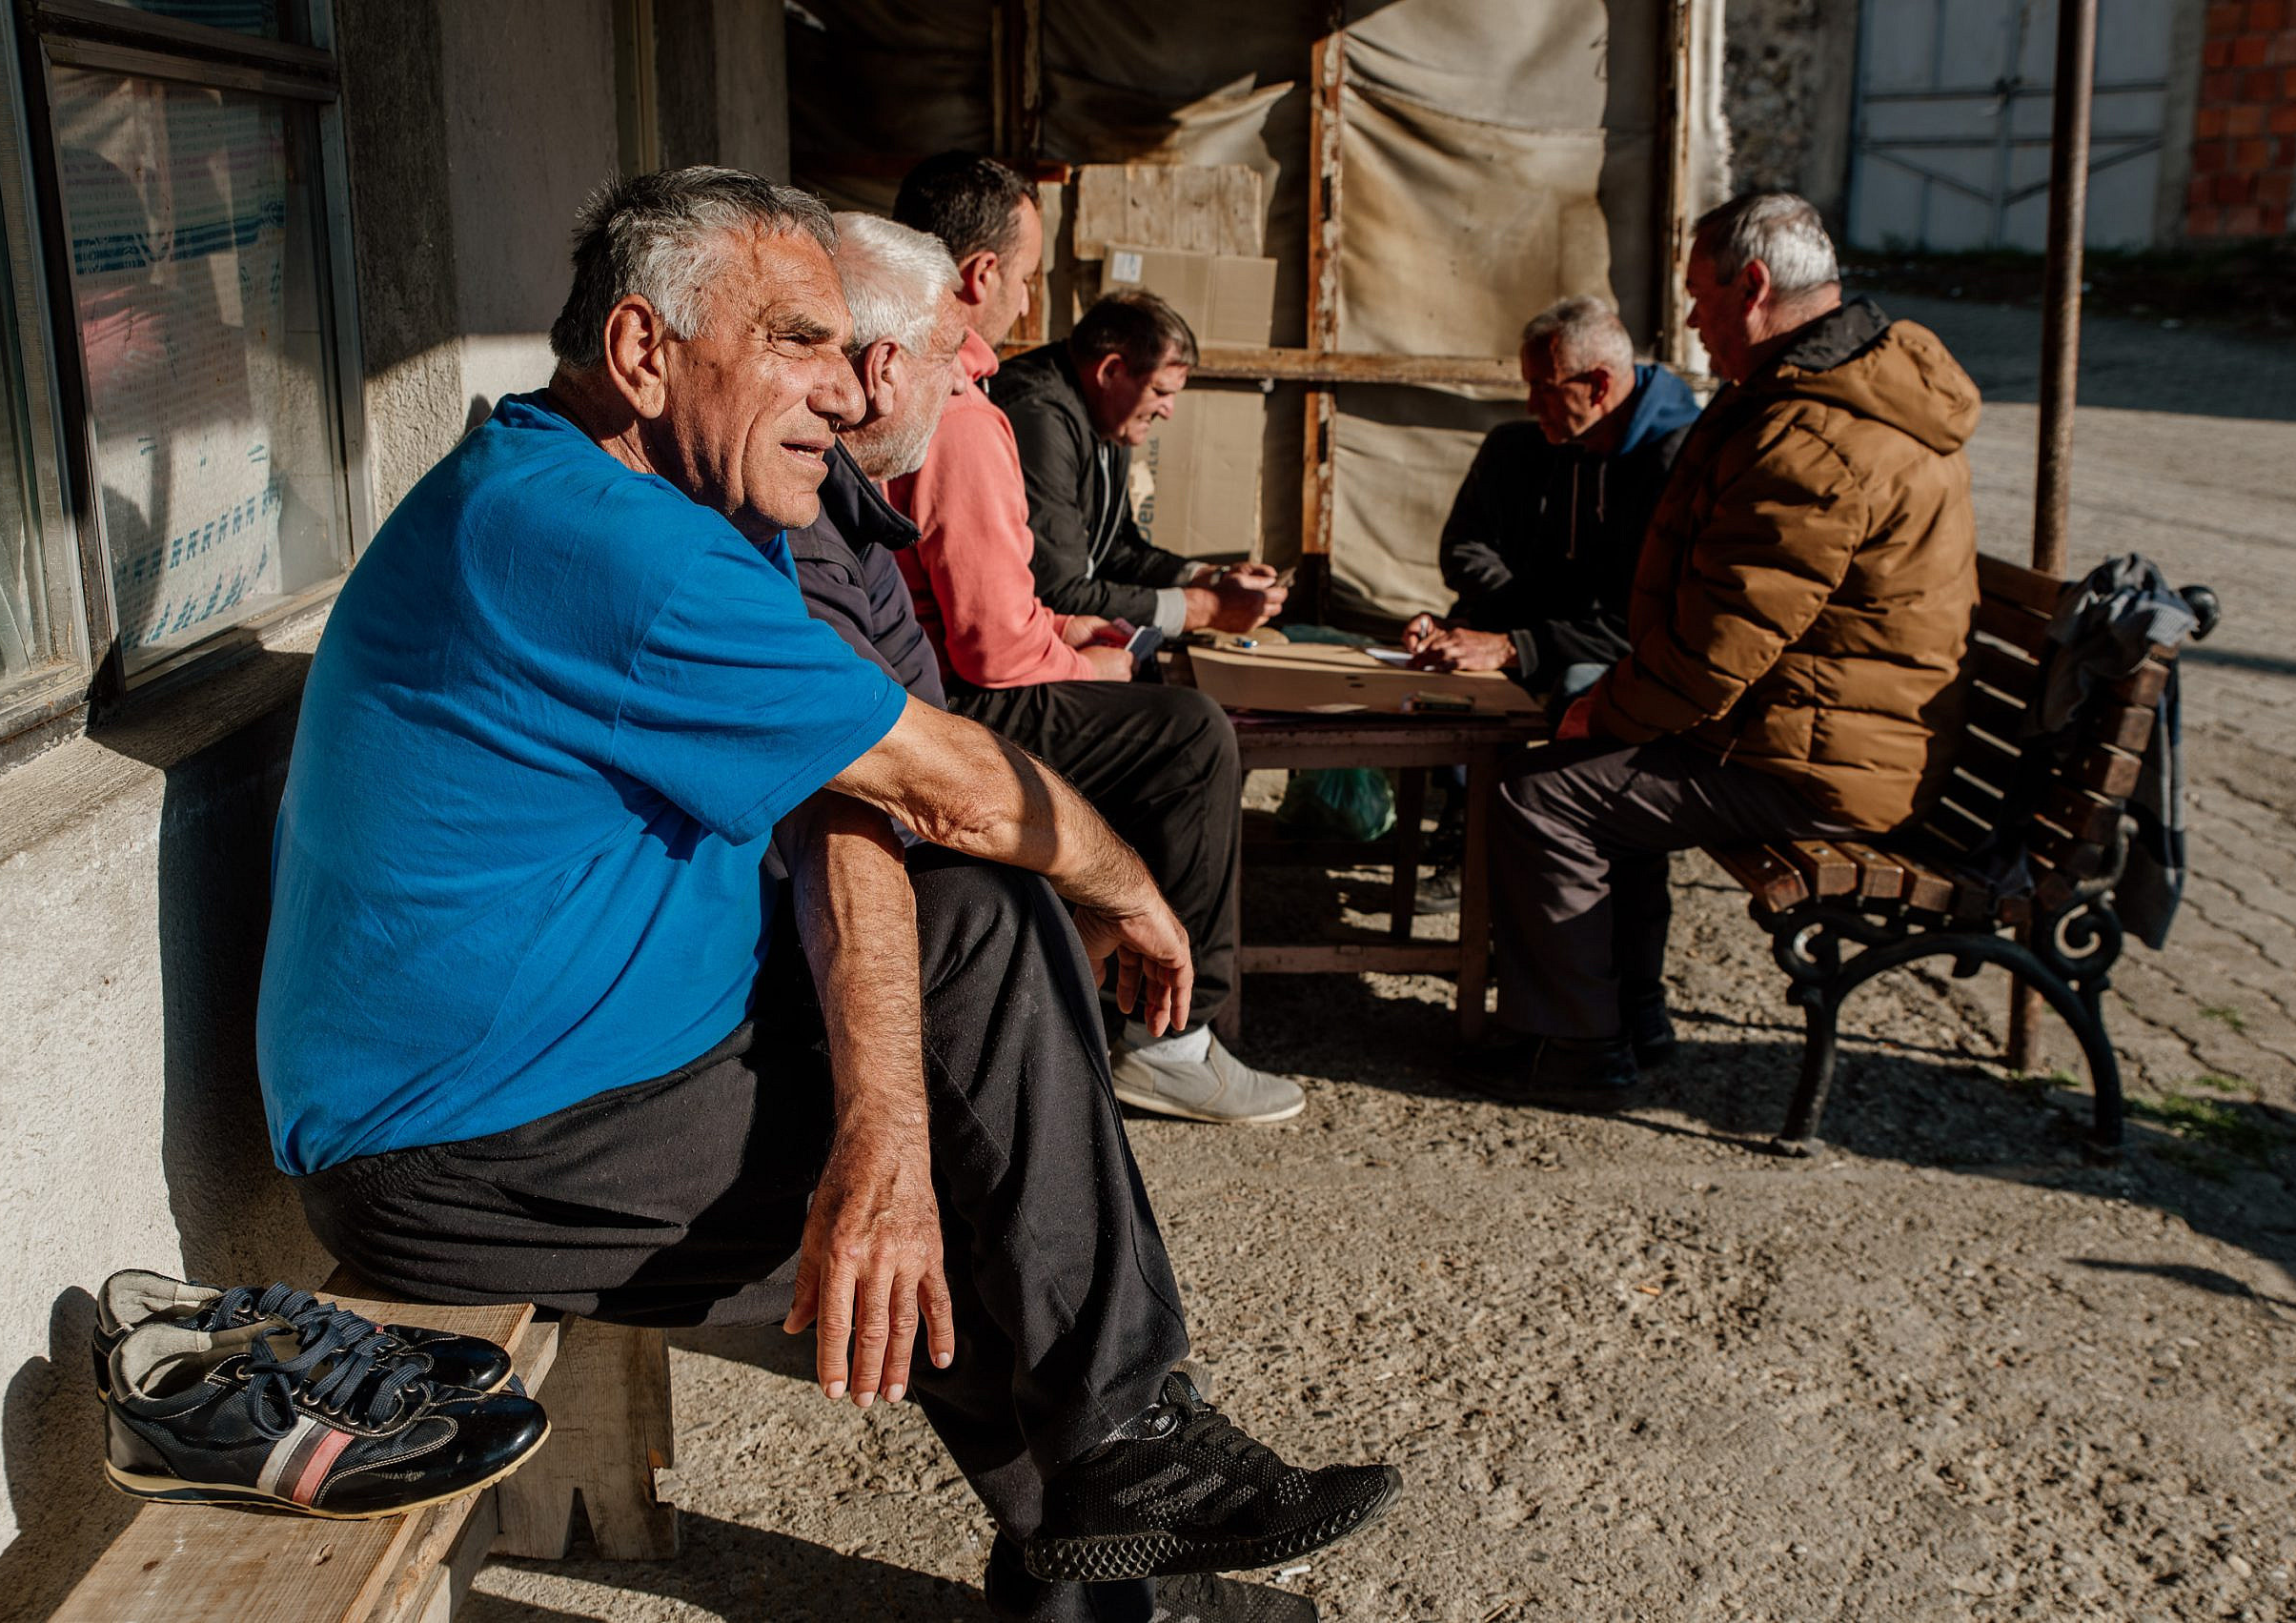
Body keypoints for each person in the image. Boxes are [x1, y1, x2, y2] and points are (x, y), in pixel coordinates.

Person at [255, 168, 1396, 1623]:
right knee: (1006, 1132)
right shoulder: (604, 544)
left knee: (984, 986)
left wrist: (894, 1124)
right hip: (465, 1149)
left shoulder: (637, 501)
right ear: (640, 353)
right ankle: (1128, 1498)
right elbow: (949, 782)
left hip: (575, 1083)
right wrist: (1131, 888)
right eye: (796, 341)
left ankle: (1120, 1494)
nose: (848, 398)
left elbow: (860, 803)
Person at [1485, 191, 1981, 1094]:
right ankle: (1626, 1010)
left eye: (1697, 295)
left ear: (1753, 286)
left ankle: (1578, 1049)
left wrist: (1608, 707)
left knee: (1542, 796)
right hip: (1814, 734)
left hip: (1821, 767)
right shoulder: (1811, 394)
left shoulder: (1819, 436)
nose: (1688, 319)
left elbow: (1722, 643)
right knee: (1586, 768)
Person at [889, 154, 1301, 1125]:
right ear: (981, 275)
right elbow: (995, 644)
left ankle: (1105, 979)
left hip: (914, 671)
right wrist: (1099, 654)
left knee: (1158, 711)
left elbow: (999, 592)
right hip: (944, 700)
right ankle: (1175, 1036)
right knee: (1192, 735)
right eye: (1030, 276)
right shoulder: (973, 413)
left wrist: (1119, 617)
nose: (1033, 300)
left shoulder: (918, 383)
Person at [1402, 296, 1699, 702]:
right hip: (1545, 637)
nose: (1531, 405)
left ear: (1598, 385)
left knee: (1577, 686)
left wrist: (1513, 646)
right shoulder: (1553, 443)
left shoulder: (1680, 465)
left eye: (1544, 387)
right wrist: (1467, 626)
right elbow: (1474, 551)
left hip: (1628, 661)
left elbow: (1645, 622)